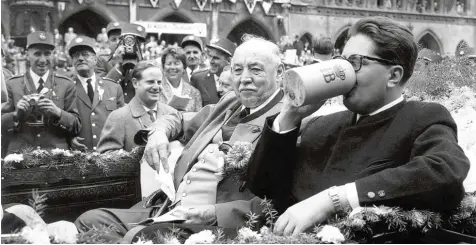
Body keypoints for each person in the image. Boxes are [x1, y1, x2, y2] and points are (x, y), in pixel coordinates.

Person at [246, 16, 470, 236]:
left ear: (393, 75)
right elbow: (263, 186)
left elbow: (445, 173)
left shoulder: (421, 117)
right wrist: (289, 117)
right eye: (341, 61)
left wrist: (333, 200)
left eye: (354, 63)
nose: (344, 71)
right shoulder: (321, 125)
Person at [75, 36, 286, 242]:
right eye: (237, 70)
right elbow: (177, 118)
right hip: (169, 207)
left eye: (256, 69)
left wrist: (211, 213)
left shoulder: (287, 122)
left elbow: (279, 202)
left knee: (141, 237)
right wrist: (157, 133)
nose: (244, 78)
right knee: (90, 220)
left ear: (279, 73)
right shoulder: (230, 102)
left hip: (214, 226)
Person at [1, 31, 81, 154]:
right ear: (27, 55)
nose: (43, 60)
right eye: (37, 54)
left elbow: (76, 126)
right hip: (20, 156)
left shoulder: (66, 84)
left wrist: (58, 113)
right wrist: (16, 114)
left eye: (47, 54)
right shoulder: (12, 85)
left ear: (53, 55)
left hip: (56, 156)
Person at [96, 61, 176, 153]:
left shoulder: (171, 113)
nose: (156, 87)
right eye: (150, 82)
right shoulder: (119, 117)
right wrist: (136, 159)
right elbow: (105, 157)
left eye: (159, 82)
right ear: (135, 83)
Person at [67, 36, 125, 152]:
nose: (80, 58)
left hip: (109, 155)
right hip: (79, 157)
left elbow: (123, 122)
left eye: (85, 54)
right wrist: (69, 138)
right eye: (76, 56)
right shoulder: (67, 88)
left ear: (95, 59)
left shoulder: (113, 87)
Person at [103, 23, 147, 103]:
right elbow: (103, 89)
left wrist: (140, 65)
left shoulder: (148, 64)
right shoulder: (103, 60)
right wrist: (118, 65)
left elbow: (147, 91)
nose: (131, 46)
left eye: (136, 43)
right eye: (128, 41)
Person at [190, 37, 236, 106]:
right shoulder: (198, 78)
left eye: (216, 58)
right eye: (210, 56)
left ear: (229, 61)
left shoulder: (237, 79)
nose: (211, 61)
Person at [158, 47, 202, 112]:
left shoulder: (194, 93)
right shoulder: (157, 89)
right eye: (169, 64)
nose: (172, 67)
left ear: (184, 67)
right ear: (163, 67)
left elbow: (198, 119)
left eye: (176, 63)